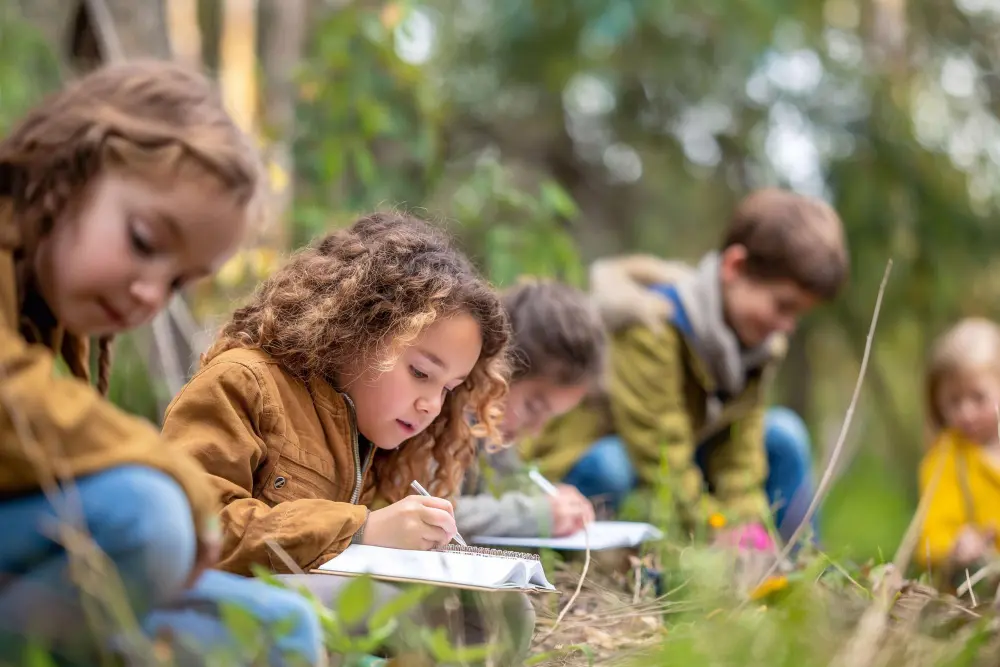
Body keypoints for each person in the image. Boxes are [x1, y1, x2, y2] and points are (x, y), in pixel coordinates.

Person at [0, 61, 324, 666]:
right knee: (145, 515)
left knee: (283, 629)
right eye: (145, 242)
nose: (151, 294)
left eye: (178, 281)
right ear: (68, 172)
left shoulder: (47, 313)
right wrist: (166, 471)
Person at [160, 213, 533, 665]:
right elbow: (193, 528)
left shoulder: (374, 435)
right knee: (414, 609)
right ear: (359, 328)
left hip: (311, 602)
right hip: (225, 608)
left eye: (447, 389)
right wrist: (362, 530)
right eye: (420, 373)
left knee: (501, 610)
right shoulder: (244, 381)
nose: (432, 405)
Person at [524, 188, 849, 548]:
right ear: (734, 267)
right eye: (782, 305)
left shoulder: (756, 348)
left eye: (797, 314)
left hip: (675, 470)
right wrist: (716, 527)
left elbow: (740, 454)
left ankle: (794, 571)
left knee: (785, 434)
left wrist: (746, 526)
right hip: (608, 466)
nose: (787, 326)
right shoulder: (650, 323)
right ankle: (594, 557)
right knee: (611, 466)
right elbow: (662, 452)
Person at [455, 279, 605, 538]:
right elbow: (434, 511)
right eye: (533, 407)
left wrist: (553, 504)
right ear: (496, 366)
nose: (534, 431)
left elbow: (502, 491)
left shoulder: (491, 434)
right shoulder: (440, 412)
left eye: (549, 418)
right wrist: (536, 515)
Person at [917, 318, 1000, 581]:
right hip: (976, 588)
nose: (966, 413)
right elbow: (930, 539)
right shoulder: (945, 459)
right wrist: (956, 546)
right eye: (953, 401)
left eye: (979, 397)